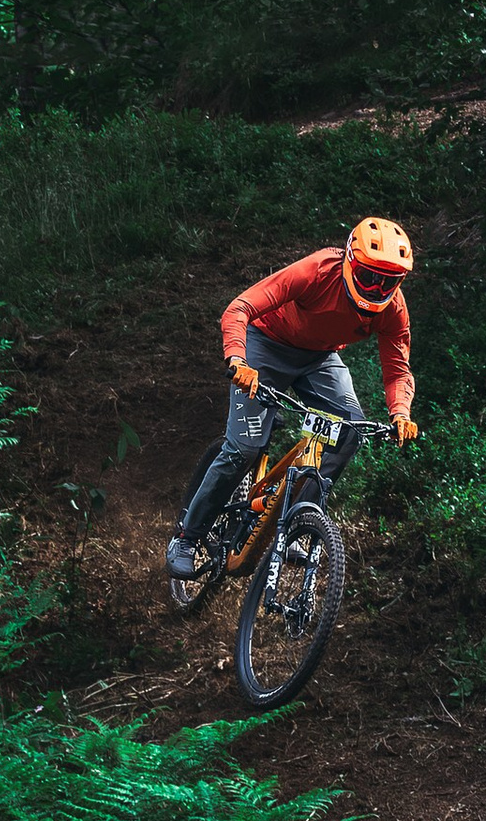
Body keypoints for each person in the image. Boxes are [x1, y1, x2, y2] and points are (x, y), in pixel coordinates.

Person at [164, 217, 420, 579]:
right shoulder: (318, 270)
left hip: (319, 358)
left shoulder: (393, 309)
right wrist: (238, 359)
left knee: (350, 432)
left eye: (388, 281)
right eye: (368, 276)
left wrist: (400, 413)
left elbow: (397, 368)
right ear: (349, 262)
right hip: (265, 345)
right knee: (244, 449)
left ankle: (295, 522)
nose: (377, 287)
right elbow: (240, 308)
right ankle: (186, 538)